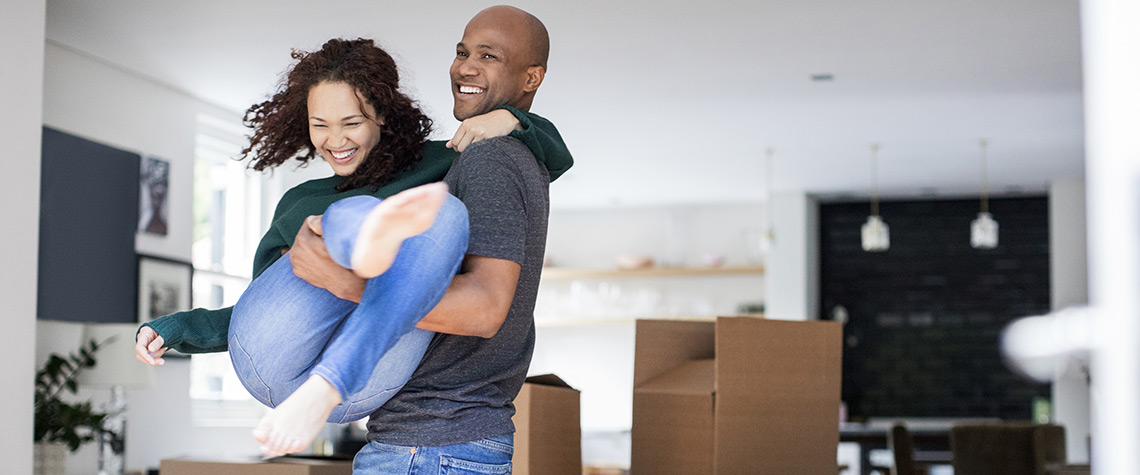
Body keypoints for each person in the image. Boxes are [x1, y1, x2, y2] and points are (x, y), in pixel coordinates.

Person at [134, 36, 573, 457]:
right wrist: (180, 327)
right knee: (354, 221)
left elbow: (553, 157)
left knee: (447, 216)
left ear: (381, 115)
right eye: (319, 125)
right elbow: (271, 315)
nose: (335, 141)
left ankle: (369, 254)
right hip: (271, 361)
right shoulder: (298, 204)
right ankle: (362, 240)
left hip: (354, 384)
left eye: (351, 123)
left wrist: (512, 120)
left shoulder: (447, 161)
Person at [289, 6, 560, 472]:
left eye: (488, 56)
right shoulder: (502, 153)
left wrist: (346, 284)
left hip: (431, 444)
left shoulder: (490, 160)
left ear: (531, 76)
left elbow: (484, 308)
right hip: (443, 441)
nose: (465, 67)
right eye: (462, 52)